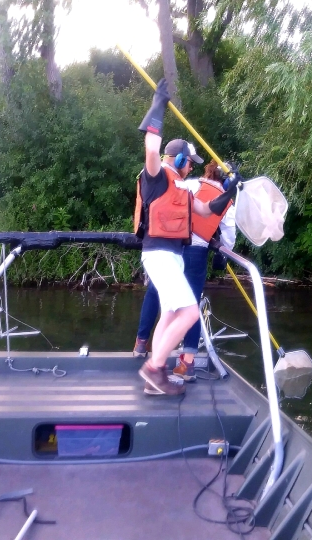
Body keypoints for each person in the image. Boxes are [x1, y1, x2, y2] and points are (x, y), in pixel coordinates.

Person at [134, 79, 238, 396]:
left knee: (169, 312)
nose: (191, 167)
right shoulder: (157, 176)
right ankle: (154, 368)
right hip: (160, 254)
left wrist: (230, 191)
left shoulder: (180, 187)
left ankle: (156, 373)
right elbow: (152, 148)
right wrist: (158, 106)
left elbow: (206, 210)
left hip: (173, 258)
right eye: (189, 162)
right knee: (190, 312)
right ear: (179, 160)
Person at [133, 160, 236, 383]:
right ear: (228, 180)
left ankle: (141, 343)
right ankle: (187, 363)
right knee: (192, 304)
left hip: (175, 247)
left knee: (155, 293)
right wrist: (220, 247)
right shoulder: (229, 203)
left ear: (209, 170)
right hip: (197, 253)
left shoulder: (189, 184)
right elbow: (229, 238)